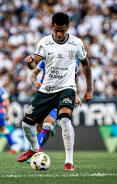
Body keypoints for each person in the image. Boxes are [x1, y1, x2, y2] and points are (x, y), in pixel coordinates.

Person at [17, 12, 93, 171]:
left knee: (65, 120)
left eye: (62, 31)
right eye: (56, 30)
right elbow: (34, 65)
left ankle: (69, 162)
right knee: (26, 124)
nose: (59, 34)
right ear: (52, 27)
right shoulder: (44, 42)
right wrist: (30, 62)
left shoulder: (76, 43)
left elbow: (85, 65)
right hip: (46, 90)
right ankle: (35, 149)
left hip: (66, 89)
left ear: (68, 28)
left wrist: (88, 90)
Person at [26, 59, 82, 163]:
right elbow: (33, 74)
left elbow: (75, 77)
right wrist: (35, 82)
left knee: (48, 123)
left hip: (61, 94)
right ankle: (49, 129)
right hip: (44, 95)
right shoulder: (47, 58)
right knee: (39, 127)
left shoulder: (74, 61)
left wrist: (75, 93)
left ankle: (34, 153)